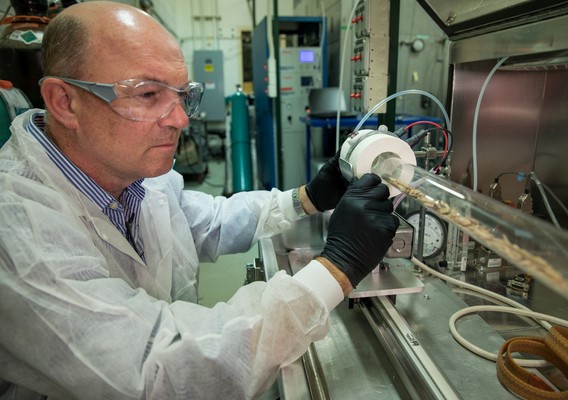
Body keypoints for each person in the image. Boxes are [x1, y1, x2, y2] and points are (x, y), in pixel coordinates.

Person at [0, 2, 399, 399]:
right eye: (148, 93)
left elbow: (207, 221)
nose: (180, 119)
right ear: (65, 102)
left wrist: (306, 199)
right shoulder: (17, 227)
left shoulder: (136, 175)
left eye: (181, 95)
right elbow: (158, 370)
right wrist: (336, 268)